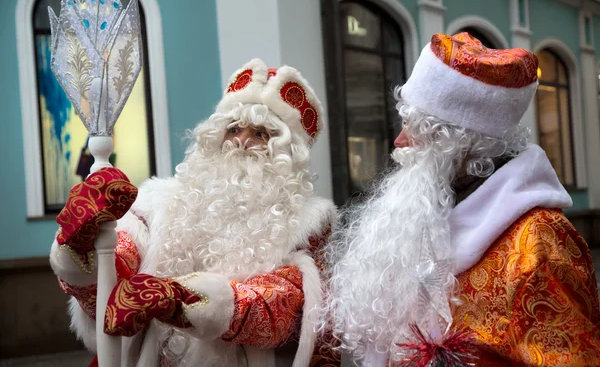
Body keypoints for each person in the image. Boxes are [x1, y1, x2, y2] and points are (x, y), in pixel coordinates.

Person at [319, 32, 600, 366]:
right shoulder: (427, 216)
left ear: (457, 142)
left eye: (413, 129)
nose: (399, 140)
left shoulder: (540, 243)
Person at [49, 58, 337, 367]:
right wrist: (82, 249)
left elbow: (283, 309)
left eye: (262, 134)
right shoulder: (156, 203)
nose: (241, 141)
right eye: (233, 128)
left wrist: (182, 300)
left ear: (287, 154)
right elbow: (111, 282)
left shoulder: (308, 224)